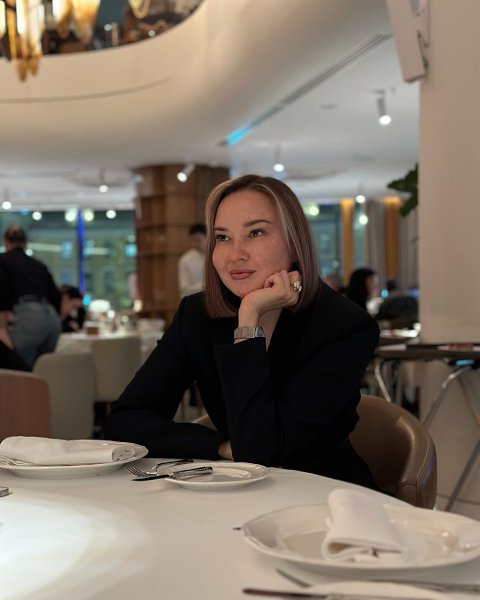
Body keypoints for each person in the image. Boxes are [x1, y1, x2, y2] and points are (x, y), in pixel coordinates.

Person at [105, 175, 380, 488]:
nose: (235, 253)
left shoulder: (343, 325)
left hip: (322, 494)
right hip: (231, 491)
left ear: (294, 242)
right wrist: (220, 446)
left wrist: (249, 318)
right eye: (222, 237)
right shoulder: (197, 315)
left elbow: (261, 451)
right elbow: (124, 422)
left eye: (256, 232)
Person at [0, 226, 61, 369]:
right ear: (25, 243)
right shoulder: (39, 265)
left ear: (6, 242)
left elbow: (1, 294)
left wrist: (2, 329)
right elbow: (56, 296)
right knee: (43, 369)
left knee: (18, 370)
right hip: (51, 317)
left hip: (29, 317)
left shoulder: (2, 260)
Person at [177, 223, 207, 298]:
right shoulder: (185, 260)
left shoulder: (216, 255)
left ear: (207, 237)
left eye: (198, 240)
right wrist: (205, 286)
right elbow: (184, 288)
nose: (196, 244)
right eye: (193, 240)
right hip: (195, 300)